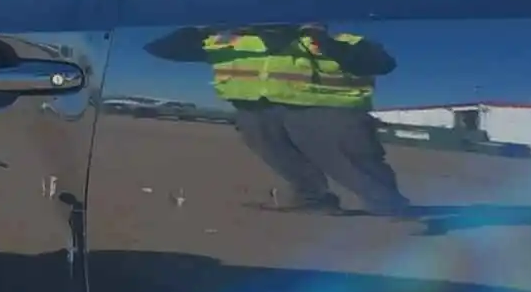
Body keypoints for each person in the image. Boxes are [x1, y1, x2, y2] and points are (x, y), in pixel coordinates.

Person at [146, 24, 414, 216]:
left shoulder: (336, 38)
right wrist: (203, 28)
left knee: (348, 156)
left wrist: (326, 42)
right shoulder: (229, 38)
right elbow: (161, 48)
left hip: (328, 110)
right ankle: (312, 198)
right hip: (257, 111)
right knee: (277, 153)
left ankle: (388, 204)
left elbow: (381, 63)